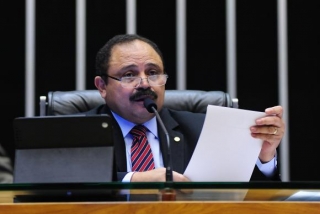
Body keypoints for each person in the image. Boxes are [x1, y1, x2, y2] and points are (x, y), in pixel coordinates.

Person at [85, 34, 285, 182]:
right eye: (129, 74)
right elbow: (64, 185)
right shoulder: (77, 132)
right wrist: (132, 180)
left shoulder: (204, 130)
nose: (145, 83)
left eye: (153, 72)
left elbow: (252, 198)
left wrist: (263, 158)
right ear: (102, 86)